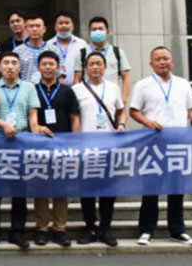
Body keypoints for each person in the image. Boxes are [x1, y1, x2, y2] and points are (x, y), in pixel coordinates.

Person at [129, 46, 192, 246]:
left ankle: (177, 230)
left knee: (177, 188)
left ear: (172, 61)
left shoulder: (183, 84)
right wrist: (148, 122)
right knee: (151, 188)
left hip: (178, 144)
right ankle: (146, 230)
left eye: (165, 58)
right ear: (151, 63)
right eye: (158, 59)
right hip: (153, 142)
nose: (162, 62)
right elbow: (134, 111)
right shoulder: (143, 85)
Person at [0, 51, 41, 249]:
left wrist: (36, 132)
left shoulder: (29, 87)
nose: (9, 66)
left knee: (19, 192)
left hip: (21, 141)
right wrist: (4, 125)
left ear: (20, 67)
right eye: (6, 63)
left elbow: (32, 115)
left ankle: (17, 232)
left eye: (14, 63)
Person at [72, 52, 126, 247]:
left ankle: (105, 228)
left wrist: (121, 124)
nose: (95, 67)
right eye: (91, 64)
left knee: (108, 189)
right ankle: (90, 227)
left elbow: (121, 111)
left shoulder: (113, 88)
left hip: (109, 146)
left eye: (99, 64)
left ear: (105, 67)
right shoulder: (76, 89)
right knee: (87, 190)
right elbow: (74, 117)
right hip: (85, 146)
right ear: (85, 68)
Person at [33, 51, 80, 247]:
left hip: (63, 145)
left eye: (51, 64)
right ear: (38, 67)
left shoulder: (67, 91)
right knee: (41, 187)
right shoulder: (32, 89)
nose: (48, 67)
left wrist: (76, 143)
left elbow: (74, 118)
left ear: (58, 67)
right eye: (44, 64)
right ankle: (42, 228)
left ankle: (60, 228)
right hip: (39, 145)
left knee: (60, 188)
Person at [74, 16, 131, 104]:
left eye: (100, 29)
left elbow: (126, 77)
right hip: (88, 99)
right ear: (89, 32)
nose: (97, 31)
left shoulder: (117, 52)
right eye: (94, 29)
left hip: (112, 99)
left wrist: (123, 100)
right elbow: (77, 78)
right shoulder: (82, 53)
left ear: (107, 32)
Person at [13, 15, 59, 84]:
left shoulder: (54, 50)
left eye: (38, 26)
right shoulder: (17, 51)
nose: (34, 29)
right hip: (26, 89)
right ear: (26, 29)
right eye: (31, 26)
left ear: (44, 29)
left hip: (48, 89)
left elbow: (60, 75)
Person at [47, 11, 85, 86]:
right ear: (55, 27)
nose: (64, 25)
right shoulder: (48, 45)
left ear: (72, 26)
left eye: (67, 23)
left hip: (77, 87)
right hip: (54, 87)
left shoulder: (81, 44)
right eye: (60, 23)